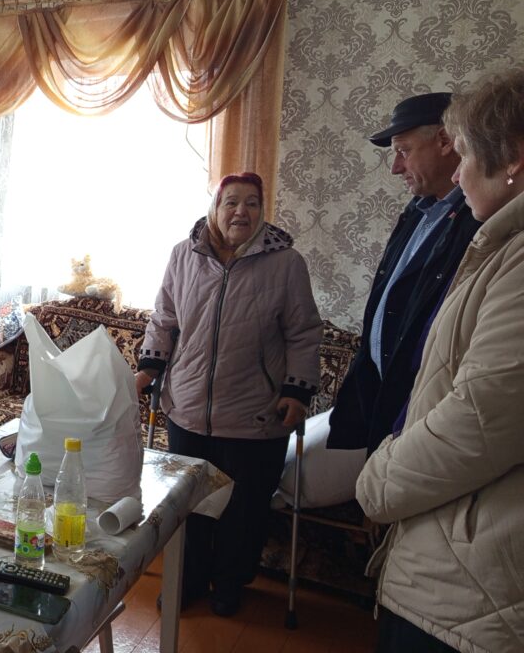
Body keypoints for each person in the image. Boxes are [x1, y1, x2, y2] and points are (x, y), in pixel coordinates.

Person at [357, 70, 524, 652]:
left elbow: (480, 416)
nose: (457, 174)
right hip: (455, 541)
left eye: (466, 154)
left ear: (513, 158)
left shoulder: (502, 247)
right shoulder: (495, 239)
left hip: (473, 579)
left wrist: (379, 476)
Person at [135, 172, 322, 617]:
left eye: (252, 203)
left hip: (254, 413)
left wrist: (297, 391)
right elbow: (164, 318)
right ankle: (188, 579)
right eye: (231, 202)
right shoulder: (183, 255)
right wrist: (148, 368)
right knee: (188, 504)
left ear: (262, 211)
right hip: (186, 408)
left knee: (244, 510)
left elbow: (303, 333)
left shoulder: (286, 263)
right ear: (215, 208)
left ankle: (230, 584)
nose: (241, 211)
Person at [327, 92, 480, 453]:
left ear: (444, 141)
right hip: (387, 405)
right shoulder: (417, 212)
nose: (395, 167)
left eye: (403, 151)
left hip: (427, 416)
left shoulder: (477, 222)